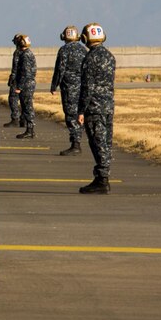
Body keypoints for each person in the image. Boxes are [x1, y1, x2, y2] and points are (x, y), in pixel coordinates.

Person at [77, 23, 115, 194]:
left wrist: (81, 110)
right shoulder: (110, 56)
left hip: (94, 107)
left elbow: (87, 87)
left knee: (97, 143)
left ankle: (102, 179)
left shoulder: (90, 58)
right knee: (106, 142)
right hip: (108, 106)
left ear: (85, 38)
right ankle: (103, 176)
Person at [51, 25, 88, 155]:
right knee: (80, 113)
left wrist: (54, 85)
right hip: (83, 86)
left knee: (71, 115)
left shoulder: (64, 50)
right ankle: (78, 140)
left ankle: (75, 144)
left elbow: (60, 69)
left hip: (69, 87)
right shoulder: (84, 50)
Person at [12, 34, 37, 139]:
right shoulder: (28, 53)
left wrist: (19, 87)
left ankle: (30, 130)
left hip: (26, 84)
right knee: (26, 106)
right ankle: (29, 129)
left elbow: (25, 72)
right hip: (28, 83)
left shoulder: (25, 55)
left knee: (27, 107)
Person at [3, 35, 22, 128]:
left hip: (17, 80)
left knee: (13, 99)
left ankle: (15, 119)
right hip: (25, 81)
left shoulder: (17, 52)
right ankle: (24, 120)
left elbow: (15, 69)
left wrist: (11, 80)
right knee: (24, 100)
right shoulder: (27, 52)